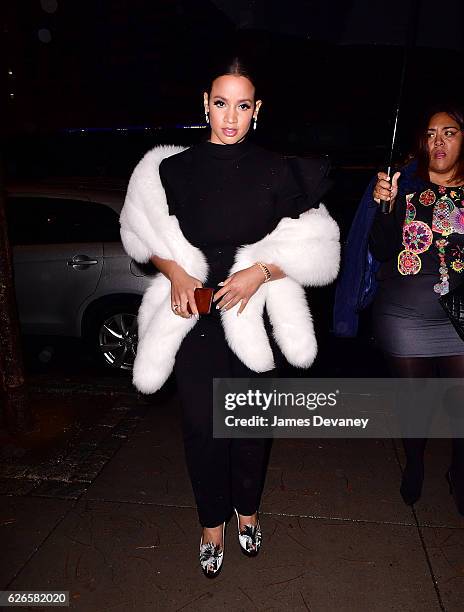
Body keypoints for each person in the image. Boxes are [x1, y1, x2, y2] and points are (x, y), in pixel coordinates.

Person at [120, 57, 340, 577]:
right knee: (201, 426)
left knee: (251, 427)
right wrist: (174, 271)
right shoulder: (171, 170)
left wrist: (261, 271)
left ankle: (247, 511)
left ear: (256, 110)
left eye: (243, 105)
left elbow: (321, 247)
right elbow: (140, 234)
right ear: (206, 104)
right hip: (195, 315)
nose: (231, 116)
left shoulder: (279, 172)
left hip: (253, 315)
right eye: (222, 103)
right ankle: (210, 524)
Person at [369, 105, 464, 515]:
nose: (438, 141)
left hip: (460, 316)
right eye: (431, 133)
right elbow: (381, 250)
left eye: (450, 132)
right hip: (404, 316)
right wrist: (384, 206)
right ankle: (415, 462)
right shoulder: (402, 186)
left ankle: (459, 471)